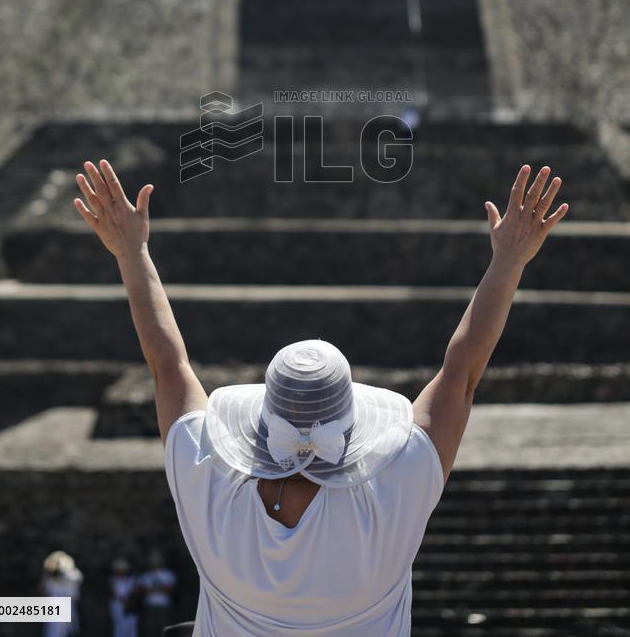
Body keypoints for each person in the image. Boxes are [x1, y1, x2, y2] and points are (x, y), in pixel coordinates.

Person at [73, 159, 568, 635]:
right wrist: (508, 260)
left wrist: (131, 252)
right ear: (351, 423)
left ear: (263, 421)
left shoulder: (209, 484)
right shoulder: (397, 486)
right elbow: (462, 373)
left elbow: (167, 366)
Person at [38, 551, 83, 637]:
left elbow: (77, 577)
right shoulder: (49, 579)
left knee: (68, 631)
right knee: (53, 631)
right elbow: (43, 591)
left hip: (67, 604)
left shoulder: (72, 576)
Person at [137, 551, 176, 637]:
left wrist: (151, 590)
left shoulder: (168, 574)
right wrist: (161, 589)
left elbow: (169, 591)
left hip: (164, 605)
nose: (155, 562)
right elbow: (142, 591)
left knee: (165, 627)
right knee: (150, 628)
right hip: (150, 605)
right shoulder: (145, 575)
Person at [108, 558, 139, 637]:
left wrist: (130, 602)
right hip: (117, 606)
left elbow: (135, 592)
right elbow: (113, 593)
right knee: (120, 627)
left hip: (130, 607)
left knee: (131, 625)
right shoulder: (112, 580)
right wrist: (123, 601)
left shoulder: (132, 579)